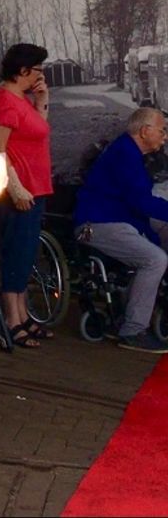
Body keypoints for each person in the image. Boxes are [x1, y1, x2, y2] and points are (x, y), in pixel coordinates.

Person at [73, 107, 168, 353]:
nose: (165, 136)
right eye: (162, 130)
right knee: (154, 259)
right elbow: (141, 202)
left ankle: (148, 300)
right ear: (145, 131)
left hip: (118, 217)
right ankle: (133, 329)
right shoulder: (125, 156)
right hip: (97, 223)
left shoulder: (128, 152)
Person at [0, 43, 53, 348]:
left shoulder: (22, 100)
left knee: (26, 254)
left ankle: (23, 315)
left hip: (36, 186)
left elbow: (37, 133)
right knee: (16, 252)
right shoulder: (4, 101)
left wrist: (42, 101)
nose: (41, 74)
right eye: (38, 69)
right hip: (21, 190)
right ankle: (12, 319)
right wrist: (15, 188)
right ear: (24, 70)